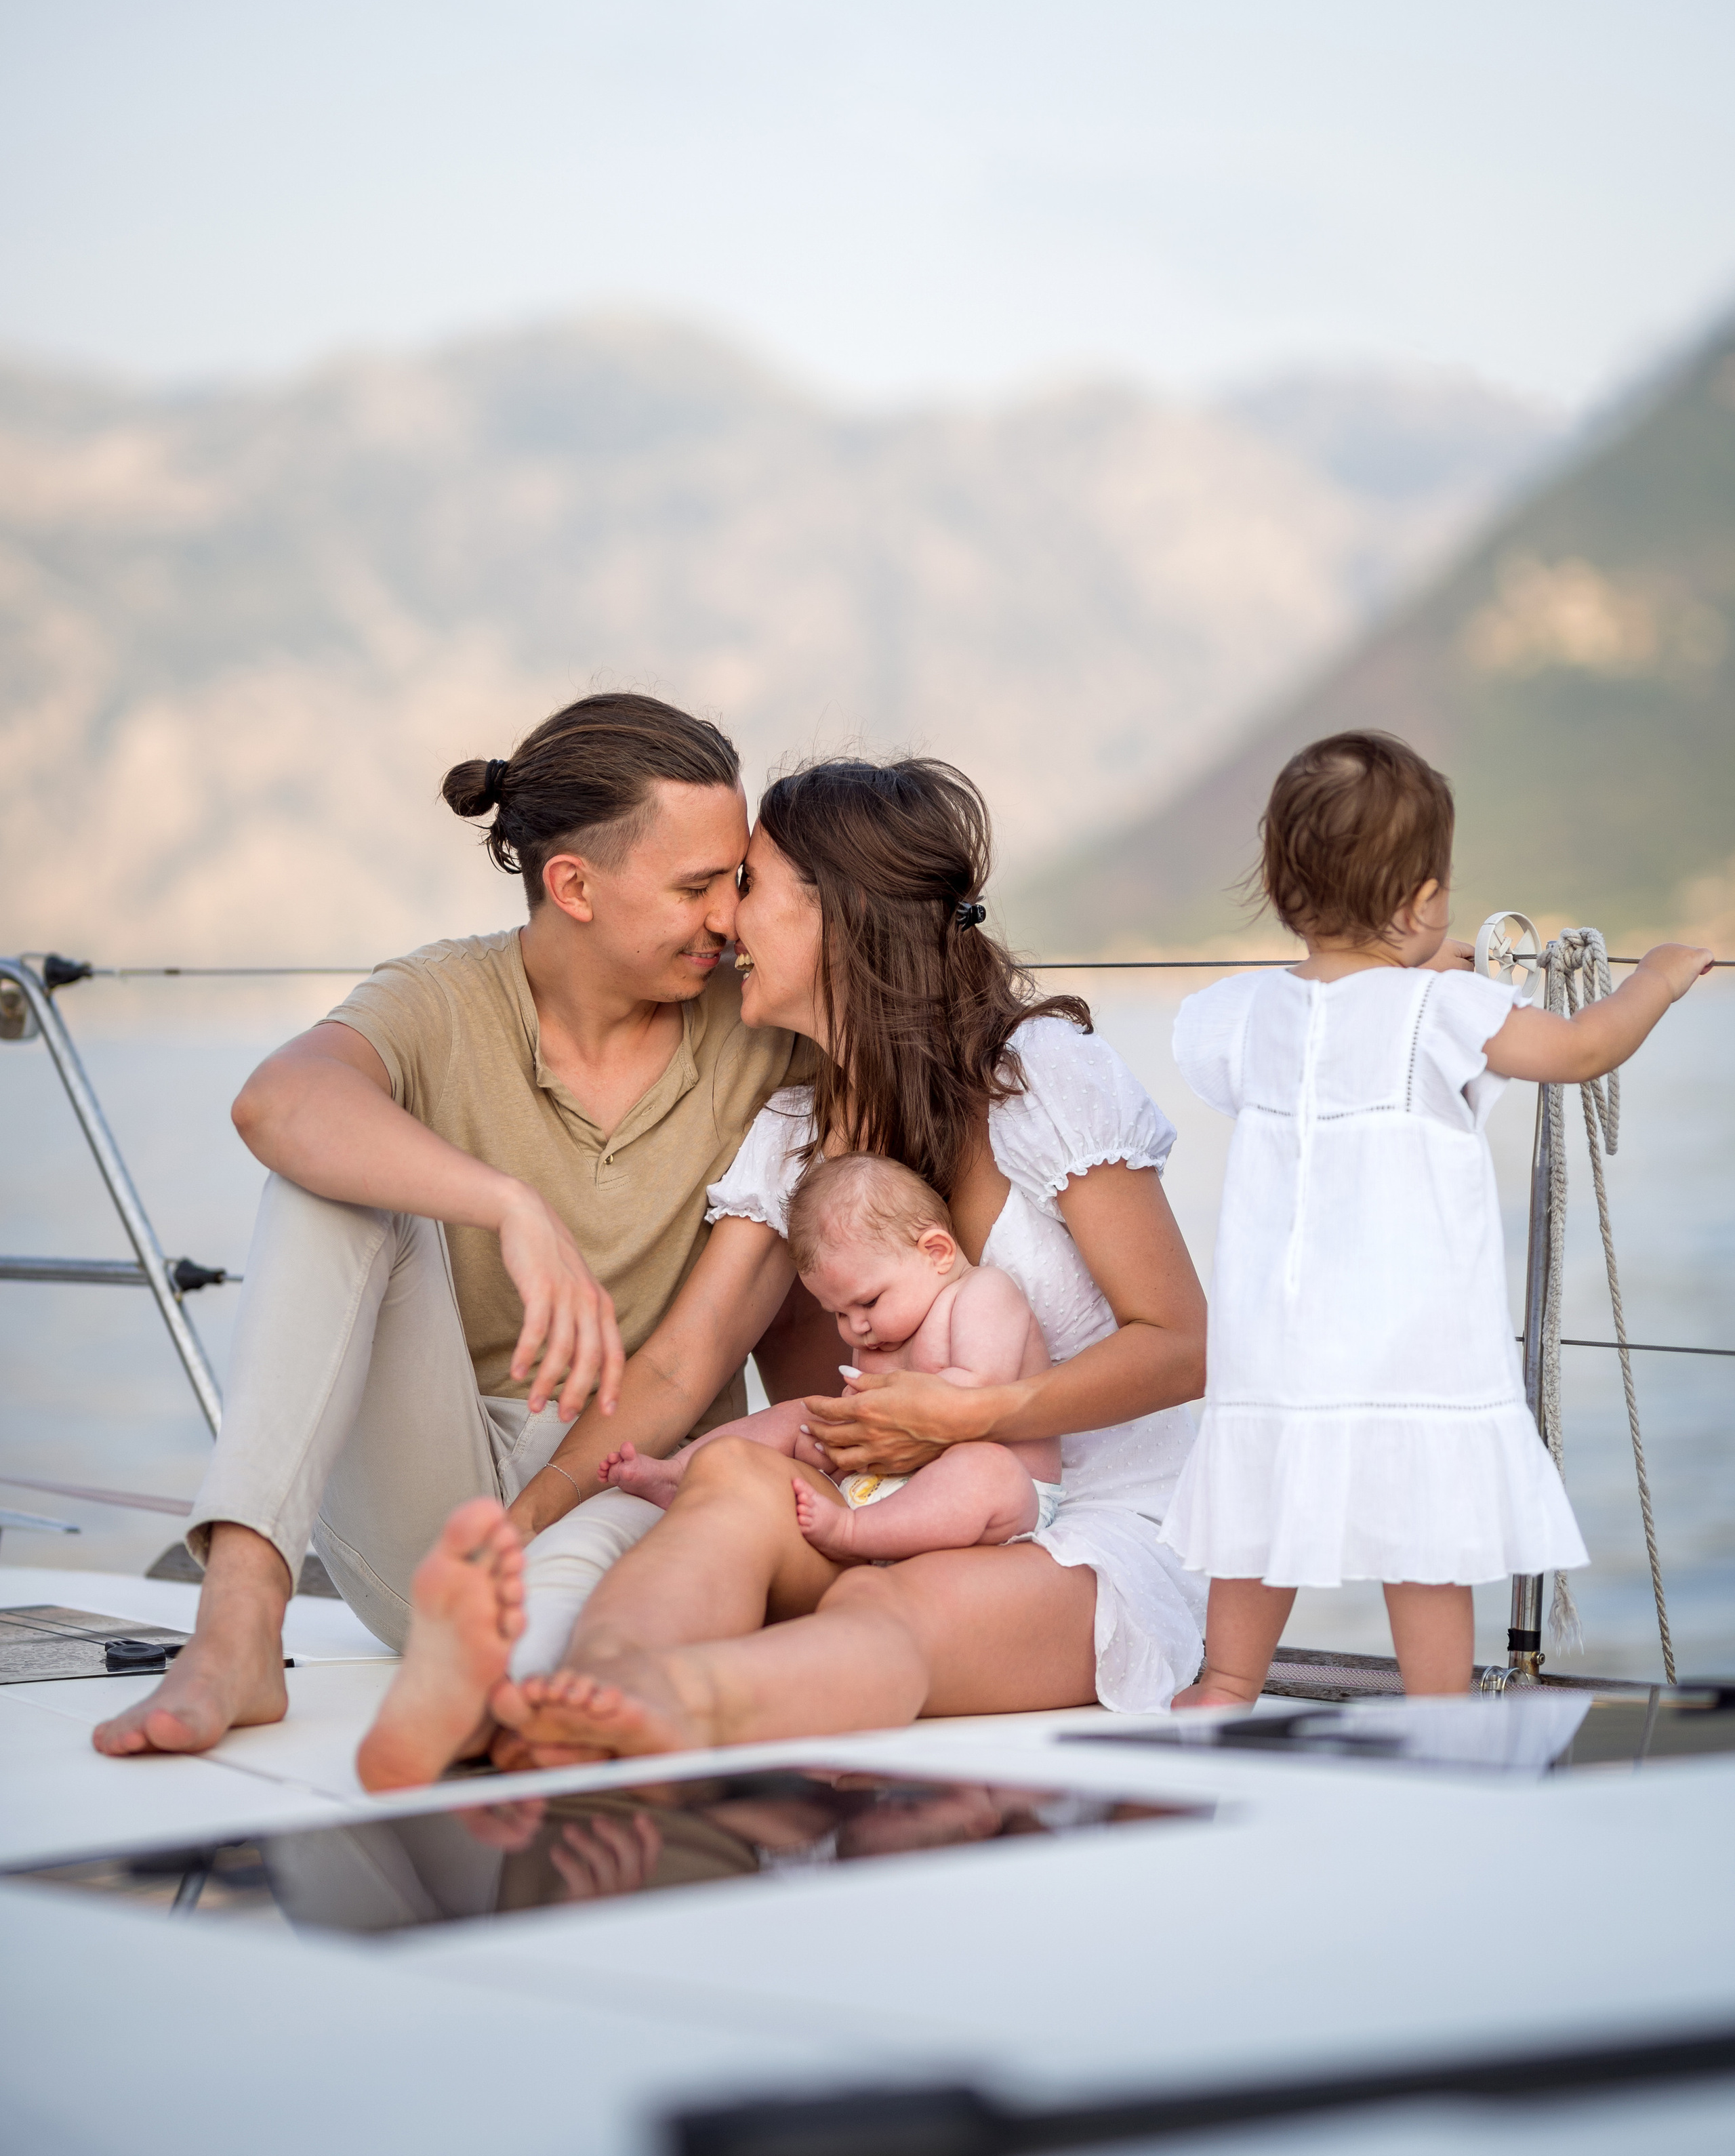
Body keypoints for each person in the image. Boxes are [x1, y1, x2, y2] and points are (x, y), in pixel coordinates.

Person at [355, 753, 1208, 1789]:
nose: (724, 924)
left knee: (883, 1609)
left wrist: (968, 1418)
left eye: (747, 886)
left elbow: (1178, 1345)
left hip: (1091, 1531)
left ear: (838, 915)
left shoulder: (1042, 1080)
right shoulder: (797, 1130)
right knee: (731, 1478)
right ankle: (576, 1689)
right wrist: (525, 1528)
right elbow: (681, 1366)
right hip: (890, 1506)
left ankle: (671, 1704)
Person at [94, 691, 817, 1760]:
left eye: (737, 883)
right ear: (571, 884)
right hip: (430, 1512)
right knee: (328, 1176)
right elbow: (276, 1104)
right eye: (696, 886)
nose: (727, 919)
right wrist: (503, 1204)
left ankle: (498, 1695)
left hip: (638, 1487)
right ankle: (239, 1626)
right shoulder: (443, 997)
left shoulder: (761, 1031)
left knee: (622, 1561)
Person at [1163, 730, 1714, 1706]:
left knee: (1262, 1515)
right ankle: (1441, 1715)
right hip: (1408, 1349)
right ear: (1423, 902)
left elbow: (1334, 1012)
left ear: (1286, 894)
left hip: (1278, 1355)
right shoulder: (1444, 1011)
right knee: (1426, 1540)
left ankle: (1224, 1684)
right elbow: (1582, 1048)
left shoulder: (1244, 1015)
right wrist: (1660, 976)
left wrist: (1404, 972)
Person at [600, 1150, 1063, 1562]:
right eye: (837, 1314)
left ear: (936, 1252)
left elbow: (983, 1396)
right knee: (800, 1415)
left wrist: (881, 1420)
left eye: (868, 1302)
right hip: (885, 1485)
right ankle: (680, 1473)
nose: (855, 1327)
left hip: (998, 1494)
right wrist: (839, 1438)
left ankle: (852, 1531)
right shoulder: (882, 1331)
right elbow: (858, 1419)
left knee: (985, 1470)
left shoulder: (982, 1294)